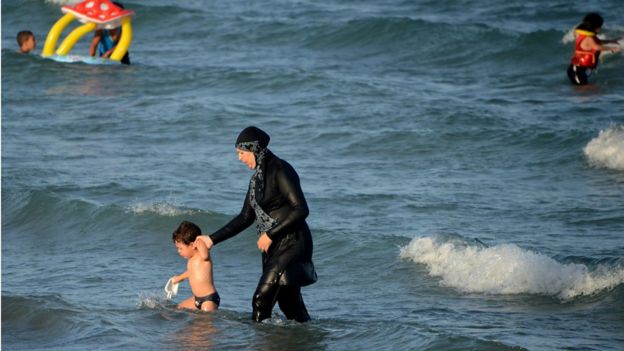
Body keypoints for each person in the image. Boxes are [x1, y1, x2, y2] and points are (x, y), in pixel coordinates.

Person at [197, 126, 317, 323]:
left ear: (255, 149)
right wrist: (211, 239)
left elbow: (301, 209)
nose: (240, 158)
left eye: (242, 153)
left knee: (261, 299)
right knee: (290, 303)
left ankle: (258, 342)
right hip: (273, 247)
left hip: (293, 243)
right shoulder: (256, 180)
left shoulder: (281, 169)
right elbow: (245, 217)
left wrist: (270, 234)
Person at [170, 221, 220, 312]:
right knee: (178, 309)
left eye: (180, 248)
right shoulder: (191, 260)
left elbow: (205, 256)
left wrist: (200, 242)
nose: (178, 251)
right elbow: (192, 272)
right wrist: (179, 278)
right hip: (196, 299)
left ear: (192, 245)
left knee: (204, 323)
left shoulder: (202, 255)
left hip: (208, 300)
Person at [567, 13, 621, 85]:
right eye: (600, 26)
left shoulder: (586, 36)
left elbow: (598, 42)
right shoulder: (589, 38)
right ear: (594, 27)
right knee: (585, 92)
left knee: (587, 92)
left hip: (579, 69)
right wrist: (612, 49)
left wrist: (611, 41)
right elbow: (597, 47)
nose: (601, 29)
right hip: (577, 70)